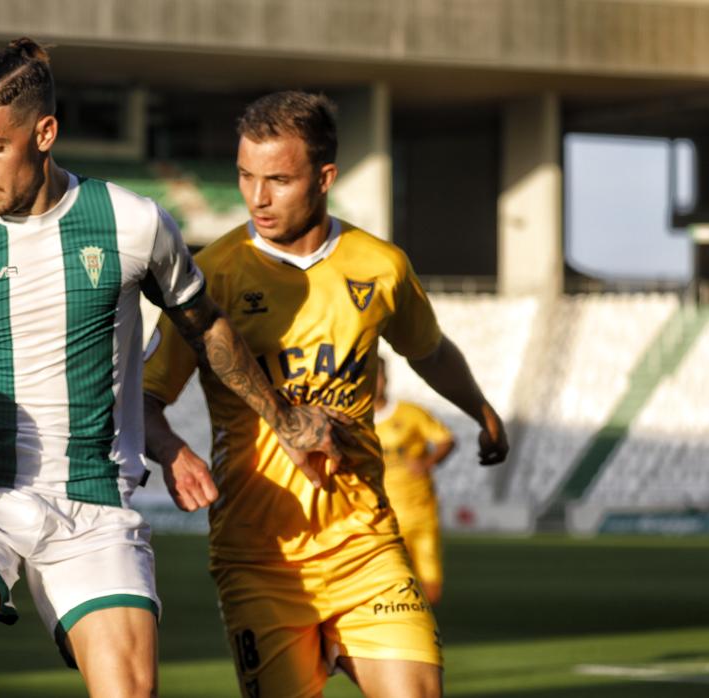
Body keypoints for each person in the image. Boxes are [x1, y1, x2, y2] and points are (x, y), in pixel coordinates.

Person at [0, 40, 348, 698]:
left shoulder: (133, 223)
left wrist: (282, 419)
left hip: (91, 502)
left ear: (44, 133)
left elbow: (203, 326)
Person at [143, 91, 508, 698]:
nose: (257, 198)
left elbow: (429, 351)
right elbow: (145, 397)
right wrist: (171, 451)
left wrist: (482, 410)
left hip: (365, 542)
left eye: (278, 180)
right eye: (246, 176)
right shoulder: (211, 275)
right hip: (261, 555)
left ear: (324, 177)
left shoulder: (381, 266)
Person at [374, 357, 456, 605]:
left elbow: (446, 440)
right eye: (367, 376)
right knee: (390, 587)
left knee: (432, 590)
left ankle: (423, 625)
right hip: (381, 518)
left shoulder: (411, 413)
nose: (373, 382)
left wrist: (428, 462)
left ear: (386, 378)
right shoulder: (353, 419)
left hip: (421, 513)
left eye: (378, 376)